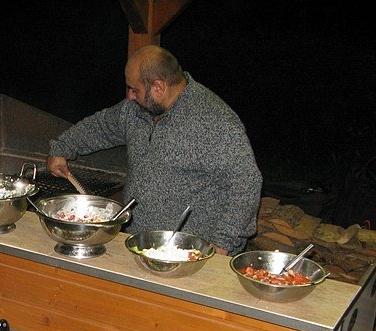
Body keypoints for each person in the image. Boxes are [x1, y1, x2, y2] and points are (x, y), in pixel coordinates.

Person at [47, 45, 262, 255]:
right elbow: (102, 127)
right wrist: (62, 148)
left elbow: (247, 183)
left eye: (134, 89)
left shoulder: (215, 121)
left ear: (158, 87)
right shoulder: (135, 110)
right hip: (136, 242)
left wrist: (223, 243)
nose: (130, 96)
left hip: (189, 252)